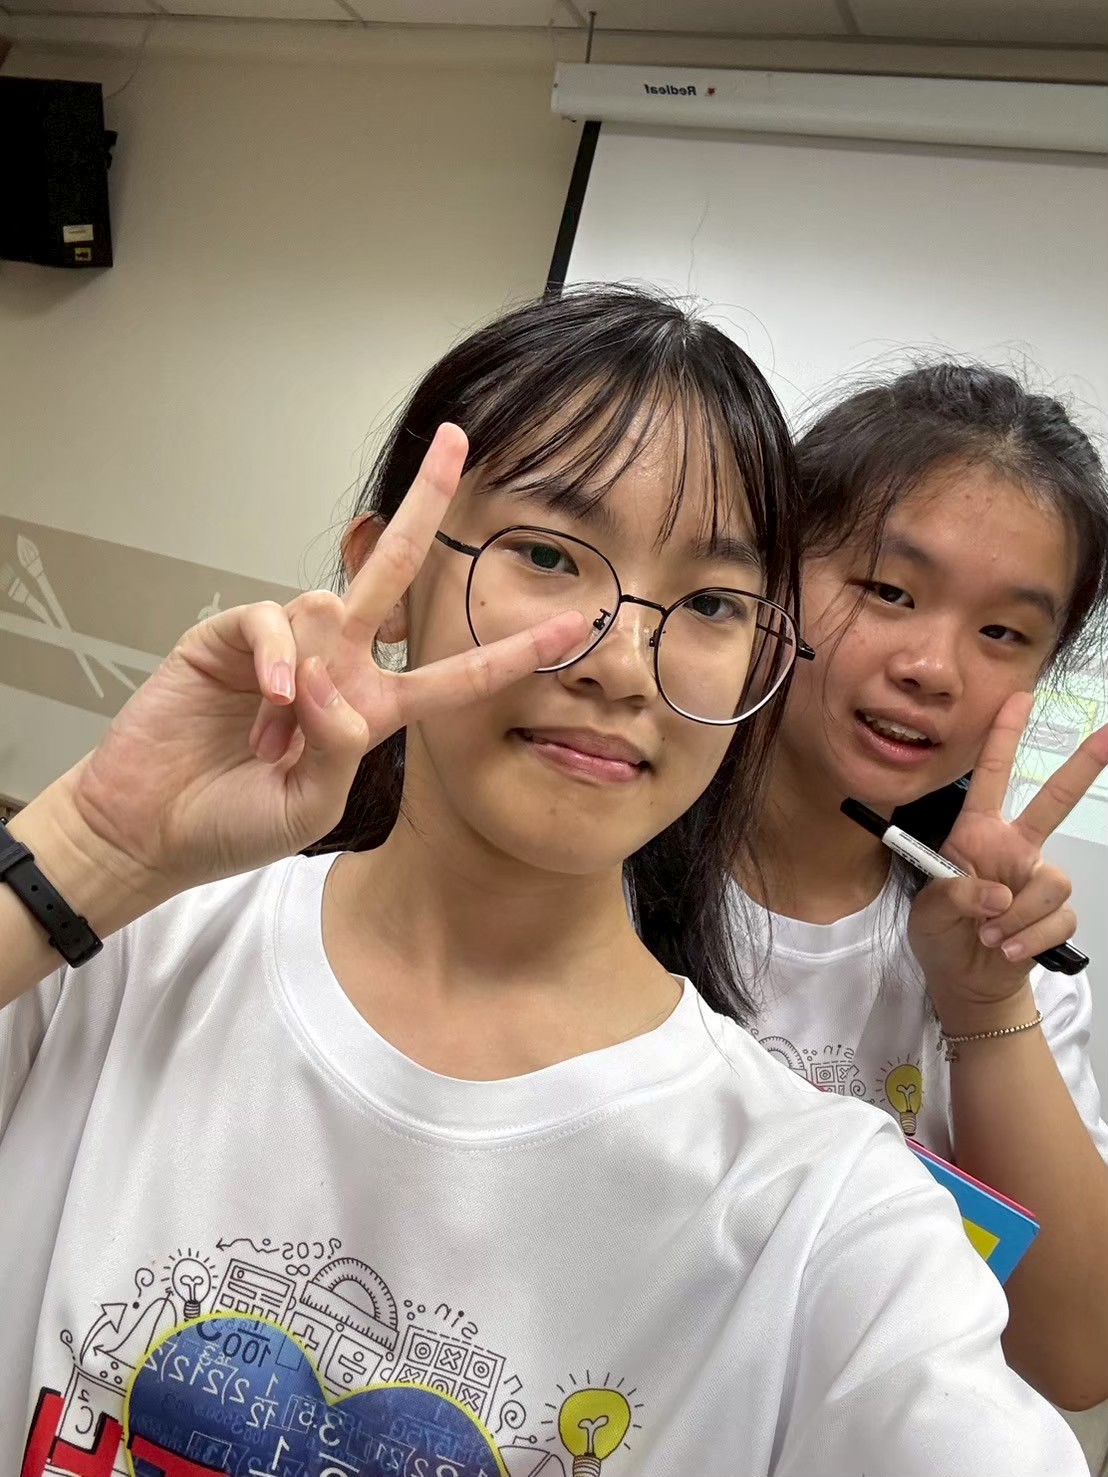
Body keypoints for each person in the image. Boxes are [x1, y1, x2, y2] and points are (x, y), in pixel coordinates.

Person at [0, 290, 1088, 1477]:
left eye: (709, 604)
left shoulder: (816, 1203)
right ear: (387, 578)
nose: (622, 663)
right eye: (548, 554)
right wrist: (95, 848)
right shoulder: (116, 960)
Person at [733, 363, 1108, 1414]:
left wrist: (985, 1005)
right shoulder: (600, 865)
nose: (933, 667)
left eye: (1004, 633)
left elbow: (1077, 1355)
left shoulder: (1009, 952)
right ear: (772, 572)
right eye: (889, 591)